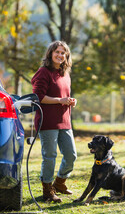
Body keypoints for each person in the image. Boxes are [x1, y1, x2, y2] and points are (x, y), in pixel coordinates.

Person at [31, 40, 77, 203]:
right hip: (47, 121)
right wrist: (60, 100)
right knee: (50, 156)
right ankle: (47, 190)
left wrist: (71, 101)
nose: (60, 55)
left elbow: (64, 96)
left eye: (63, 53)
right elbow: (38, 97)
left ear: (66, 56)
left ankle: (59, 183)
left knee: (71, 155)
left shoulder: (65, 74)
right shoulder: (43, 72)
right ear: (50, 53)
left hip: (64, 121)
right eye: (57, 52)